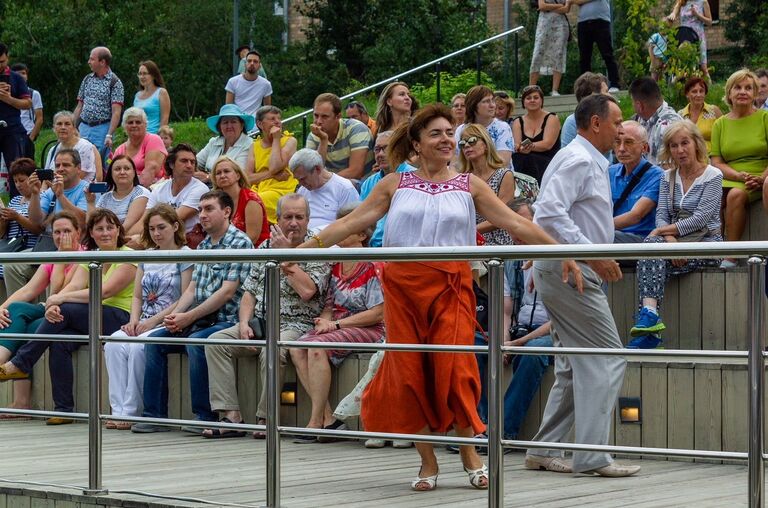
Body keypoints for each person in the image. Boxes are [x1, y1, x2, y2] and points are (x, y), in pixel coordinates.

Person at [297, 104, 582, 491]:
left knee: (456, 370)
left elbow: (515, 222)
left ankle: (469, 453)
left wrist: (561, 252)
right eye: (437, 133)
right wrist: (304, 246)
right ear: (416, 143)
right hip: (403, 291)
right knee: (412, 376)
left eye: (451, 133)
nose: (447, 139)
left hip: (451, 288)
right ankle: (427, 462)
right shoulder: (394, 184)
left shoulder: (470, 184)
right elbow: (351, 222)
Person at [526, 93, 640, 477]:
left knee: (574, 366)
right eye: (616, 121)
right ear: (596, 123)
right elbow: (548, 210)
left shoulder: (581, 156)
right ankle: (592, 456)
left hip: (563, 267)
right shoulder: (579, 159)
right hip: (569, 270)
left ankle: (543, 449)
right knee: (608, 356)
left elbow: (553, 211)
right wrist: (590, 253)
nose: (621, 128)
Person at [203, 193, 330, 439]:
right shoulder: (265, 246)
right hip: (260, 322)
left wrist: (285, 258)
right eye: (288, 217)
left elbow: (307, 291)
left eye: (299, 217)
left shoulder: (317, 247)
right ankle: (231, 416)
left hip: (298, 324)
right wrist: (243, 324)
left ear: (308, 219)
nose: (293, 223)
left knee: (272, 348)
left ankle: (266, 419)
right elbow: (250, 291)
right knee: (215, 342)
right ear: (278, 219)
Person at [132, 190, 253, 433]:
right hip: (201, 318)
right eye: (201, 210)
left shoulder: (241, 243)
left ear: (227, 211)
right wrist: (178, 315)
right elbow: (191, 290)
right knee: (155, 341)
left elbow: (227, 292)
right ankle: (154, 415)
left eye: (209, 209)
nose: (202, 215)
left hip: (227, 320)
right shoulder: (205, 244)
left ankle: (204, 416)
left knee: (197, 341)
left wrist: (189, 317)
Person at [0, 209, 135, 425]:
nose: (105, 233)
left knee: (64, 310)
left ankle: (20, 363)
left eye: (110, 227)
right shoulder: (91, 257)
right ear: (91, 233)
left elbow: (104, 291)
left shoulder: (128, 255)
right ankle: (64, 410)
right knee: (59, 341)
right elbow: (73, 286)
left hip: (119, 317)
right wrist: (55, 302)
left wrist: (58, 301)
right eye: (99, 229)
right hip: (91, 316)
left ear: (119, 230)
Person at [289, 202, 384, 443]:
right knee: (296, 346)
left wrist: (336, 326)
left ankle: (314, 422)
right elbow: (330, 306)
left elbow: (378, 313)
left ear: (362, 234)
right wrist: (326, 321)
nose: (337, 231)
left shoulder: (373, 264)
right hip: (340, 326)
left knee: (317, 347)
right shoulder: (337, 264)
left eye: (345, 228)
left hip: (368, 328)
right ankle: (329, 419)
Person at [629, 121, 722, 349]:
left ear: (696, 144)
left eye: (684, 143)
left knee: (649, 255)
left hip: (707, 243)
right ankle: (649, 319)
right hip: (672, 245)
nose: (680, 150)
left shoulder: (713, 175)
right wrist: (670, 242)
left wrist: (663, 233)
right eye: (673, 145)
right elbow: (661, 214)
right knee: (651, 255)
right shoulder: (667, 176)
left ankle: (649, 331)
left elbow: (700, 219)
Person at [105, 205, 192, 429]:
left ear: (174, 226)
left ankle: (132, 412)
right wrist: (134, 320)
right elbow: (136, 296)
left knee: (137, 347)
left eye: (161, 227)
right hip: (143, 318)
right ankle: (118, 410)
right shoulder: (146, 255)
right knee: (113, 343)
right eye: (152, 228)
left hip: (167, 321)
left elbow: (183, 298)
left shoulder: (186, 255)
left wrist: (151, 322)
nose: (156, 233)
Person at [0, 211, 80, 419]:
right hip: (50, 311)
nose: (62, 237)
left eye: (67, 231)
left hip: (68, 314)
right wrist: (1, 308)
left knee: (27, 321)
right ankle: (21, 401)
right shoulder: (52, 258)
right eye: (57, 232)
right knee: (16, 311)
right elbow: (28, 291)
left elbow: (60, 295)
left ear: (78, 232)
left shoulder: (84, 255)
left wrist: (63, 255)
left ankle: (21, 399)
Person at [6, 149, 89, 297]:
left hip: (75, 247)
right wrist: (35, 194)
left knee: (49, 269)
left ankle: (44, 309)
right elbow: (36, 220)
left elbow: (83, 222)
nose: (60, 169)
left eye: (66, 165)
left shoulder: (86, 189)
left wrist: (61, 196)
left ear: (78, 168)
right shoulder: (50, 191)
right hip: (48, 244)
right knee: (11, 265)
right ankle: (19, 309)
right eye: (57, 165)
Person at [710, 69, 768, 269]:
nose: (743, 91)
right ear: (729, 93)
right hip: (732, 175)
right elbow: (716, 162)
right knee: (716, 193)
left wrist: (761, 177)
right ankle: (710, 249)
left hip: (761, 175)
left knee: (734, 195)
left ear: (754, 94)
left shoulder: (765, 118)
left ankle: (731, 255)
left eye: (748, 88)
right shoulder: (720, 124)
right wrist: (739, 176)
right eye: (738, 87)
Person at [128, 144, 208, 242]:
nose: (189, 165)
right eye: (184, 161)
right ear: (171, 164)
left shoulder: (200, 189)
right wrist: (124, 238)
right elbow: (144, 221)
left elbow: (172, 219)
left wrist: (143, 240)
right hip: (159, 240)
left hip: (186, 243)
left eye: (192, 162)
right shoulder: (159, 189)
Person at [458, 124, 516, 245]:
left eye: (472, 141)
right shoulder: (462, 178)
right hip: (468, 241)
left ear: (485, 145)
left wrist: (470, 231)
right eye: (462, 143)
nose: (467, 145)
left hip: (498, 242)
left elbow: (502, 216)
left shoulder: (504, 175)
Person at [610, 121, 664, 243]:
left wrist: (597, 229)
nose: (622, 149)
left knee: (599, 238)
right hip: (613, 235)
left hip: (640, 240)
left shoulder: (657, 175)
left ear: (644, 148)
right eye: (617, 142)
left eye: (629, 142)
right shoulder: (610, 172)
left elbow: (635, 216)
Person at [359, 130, 414, 247]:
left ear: (399, 150)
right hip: (372, 247)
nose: (380, 154)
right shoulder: (369, 183)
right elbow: (361, 218)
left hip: (402, 246)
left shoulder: (414, 177)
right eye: (377, 149)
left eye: (386, 148)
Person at [246, 105, 298, 224]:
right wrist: (272, 175)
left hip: (281, 188)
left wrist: (276, 139)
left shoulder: (290, 141)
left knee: (256, 201)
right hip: (259, 188)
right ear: (260, 124)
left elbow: (275, 166)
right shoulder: (254, 146)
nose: (277, 122)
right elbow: (248, 178)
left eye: (279, 119)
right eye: (272, 119)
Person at [0, 159, 43, 295]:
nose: (18, 185)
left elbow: (38, 229)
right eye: (15, 181)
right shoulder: (15, 200)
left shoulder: (41, 198)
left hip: (29, 248)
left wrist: (17, 217)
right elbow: (2, 235)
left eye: (22, 180)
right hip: (9, 246)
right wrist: (3, 220)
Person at [306, 93, 373, 180]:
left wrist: (324, 180)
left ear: (338, 117)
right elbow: (312, 170)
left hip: (362, 183)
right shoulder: (314, 136)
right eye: (316, 115)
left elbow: (356, 171)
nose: (318, 121)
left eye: (324, 117)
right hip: (330, 183)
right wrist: (323, 140)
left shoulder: (356, 128)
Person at [290, 148, 360, 232]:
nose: (301, 183)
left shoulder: (344, 188)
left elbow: (351, 224)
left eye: (303, 179)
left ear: (317, 169)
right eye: (298, 180)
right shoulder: (302, 191)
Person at [73, 46, 124, 154]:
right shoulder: (87, 79)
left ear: (102, 62)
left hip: (102, 129)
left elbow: (116, 112)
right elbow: (79, 106)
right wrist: (72, 126)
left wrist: (109, 135)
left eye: (92, 59)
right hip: (83, 127)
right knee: (79, 160)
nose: (89, 62)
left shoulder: (115, 82)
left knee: (100, 164)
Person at [210, 156, 269, 246]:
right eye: (218, 173)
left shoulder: (251, 199)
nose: (222, 175)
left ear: (238, 175)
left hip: (254, 254)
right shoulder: (216, 201)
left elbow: (252, 238)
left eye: (226, 171)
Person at [0, 43, 32, 198]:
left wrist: (8, 99)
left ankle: (18, 204)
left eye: (2, 62)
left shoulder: (16, 78)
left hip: (12, 129)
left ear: (7, 58)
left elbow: (27, 104)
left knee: (16, 169)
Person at [86, 155, 150, 232]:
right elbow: (92, 224)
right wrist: (90, 202)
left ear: (134, 173)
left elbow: (127, 226)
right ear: (111, 174)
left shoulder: (141, 193)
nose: (122, 172)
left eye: (127, 168)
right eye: (117, 169)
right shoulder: (105, 197)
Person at [512, 85, 562, 182]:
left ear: (541, 101)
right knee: (517, 157)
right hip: (525, 161)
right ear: (523, 102)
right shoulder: (517, 121)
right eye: (528, 98)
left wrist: (529, 147)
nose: (532, 100)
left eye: (536, 97)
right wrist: (521, 148)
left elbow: (547, 144)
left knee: (529, 159)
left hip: (548, 161)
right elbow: (517, 144)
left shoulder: (552, 118)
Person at [455, 85, 514, 168]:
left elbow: (503, 162)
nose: (493, 105)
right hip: (468, 178)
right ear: (473, 105)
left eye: (492, 101)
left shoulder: (502, 127)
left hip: (498, 178)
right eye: (486, 101)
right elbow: (456, 164)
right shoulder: (461, 130)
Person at [195, 104, 255, 184]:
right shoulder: (214, 142)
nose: (229, 126)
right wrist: (197, 174)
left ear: (242, 125)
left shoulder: (249, 144)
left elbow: (239, 174)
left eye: (233, 122)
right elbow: (194, 162)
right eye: (225, 122)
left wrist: (208, 177)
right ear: (219, 127)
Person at [629, 77, 683, 165]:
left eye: (633, 102)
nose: (633, 106)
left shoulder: (668, 125)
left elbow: (668, 169)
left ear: (640, 106)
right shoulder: (640, 120)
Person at [113, 107, 168, 187]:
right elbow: (113, 174)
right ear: (124, 126)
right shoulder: (119, 150)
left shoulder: (153, 140)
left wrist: (132, 192)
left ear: (145, 125)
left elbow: (151, 170)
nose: (134, 125)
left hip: (152, 188)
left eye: (138, 122)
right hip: (125, 189)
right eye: (130, 122)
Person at [573, 0, 620, 92]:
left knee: (607, 54)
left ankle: (614, 83)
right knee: (584, 57)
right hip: (583, 21)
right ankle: (585, 87)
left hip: (601, 20)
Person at [44, 111, 102, 182]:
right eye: (59, 124)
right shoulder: (53, 150)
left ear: (74, 128)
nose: (63, 127)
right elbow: (46, 177)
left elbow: (78, 177)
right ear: (54, 128)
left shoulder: (84, 147)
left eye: (67, 124)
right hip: (54, 189)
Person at [529, 0, 571, 96]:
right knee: (538, 52)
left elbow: (566, 9)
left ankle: (555, 90)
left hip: (561, 25)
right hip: (544, 24)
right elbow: (542, 6)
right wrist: (559, 6)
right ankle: (530, 88)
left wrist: (550, 7)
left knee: (558, 54)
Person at [561, 72, 608, 148]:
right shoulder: (572, 122)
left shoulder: (608, 117)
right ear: (594, 96)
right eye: (606, 92)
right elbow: (567, 155)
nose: (609, 95)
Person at [666, 0, 712, 77]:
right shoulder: (681, 2)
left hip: (697, 35)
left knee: (703, 68)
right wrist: (672, 15)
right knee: (684, 65)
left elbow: (710, 22)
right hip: (684, 36)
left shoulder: (703, 2)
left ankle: (711, 88)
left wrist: (697, 15)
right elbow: (674, 12)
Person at [678, 77, 722, 152]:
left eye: (701, 91)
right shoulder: (680, 115)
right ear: (687, 94)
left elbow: (724, 136)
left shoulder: (714, 111)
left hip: (711, 157)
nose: (698, 95)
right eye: (694, 91)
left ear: (705, 93)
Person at [225, 50, 272, 118]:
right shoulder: (233, 82)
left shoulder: (266, 84)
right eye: (249, 61)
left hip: (256, 124)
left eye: (255, 61)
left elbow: (267, 110)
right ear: (245, 64)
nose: (252, 63)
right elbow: (228, 109)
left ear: (259, 65)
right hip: (237, 122)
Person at [9, 63, 42, 159]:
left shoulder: (33, 94)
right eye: (18, 74)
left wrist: (31, 138)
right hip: (10, 133)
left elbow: (39, 118)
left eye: (23, 73)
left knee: (27, 165)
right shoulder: (7, 94)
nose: (21, 76)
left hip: (27, 133)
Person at [133, 60, 170, 135]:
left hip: (154, 136)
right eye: (140, 74)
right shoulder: (137, 95)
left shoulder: (161, 93)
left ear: (153, 75)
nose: (142, 77)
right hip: (138, 138)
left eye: (145, 74)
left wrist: (159, 138)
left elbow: (165, 119)